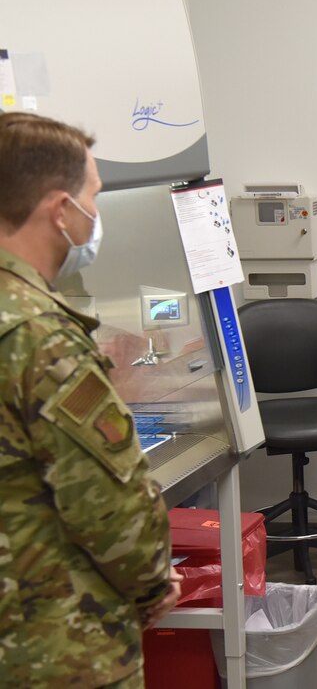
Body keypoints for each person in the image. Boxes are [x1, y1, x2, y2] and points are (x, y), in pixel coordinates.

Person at [0, 111, 180, 688]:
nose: (96, 215)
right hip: (49, 644)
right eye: (93, 197)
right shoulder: (41, 335)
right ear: (61, 210)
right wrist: (154, 584)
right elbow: (109, 508)